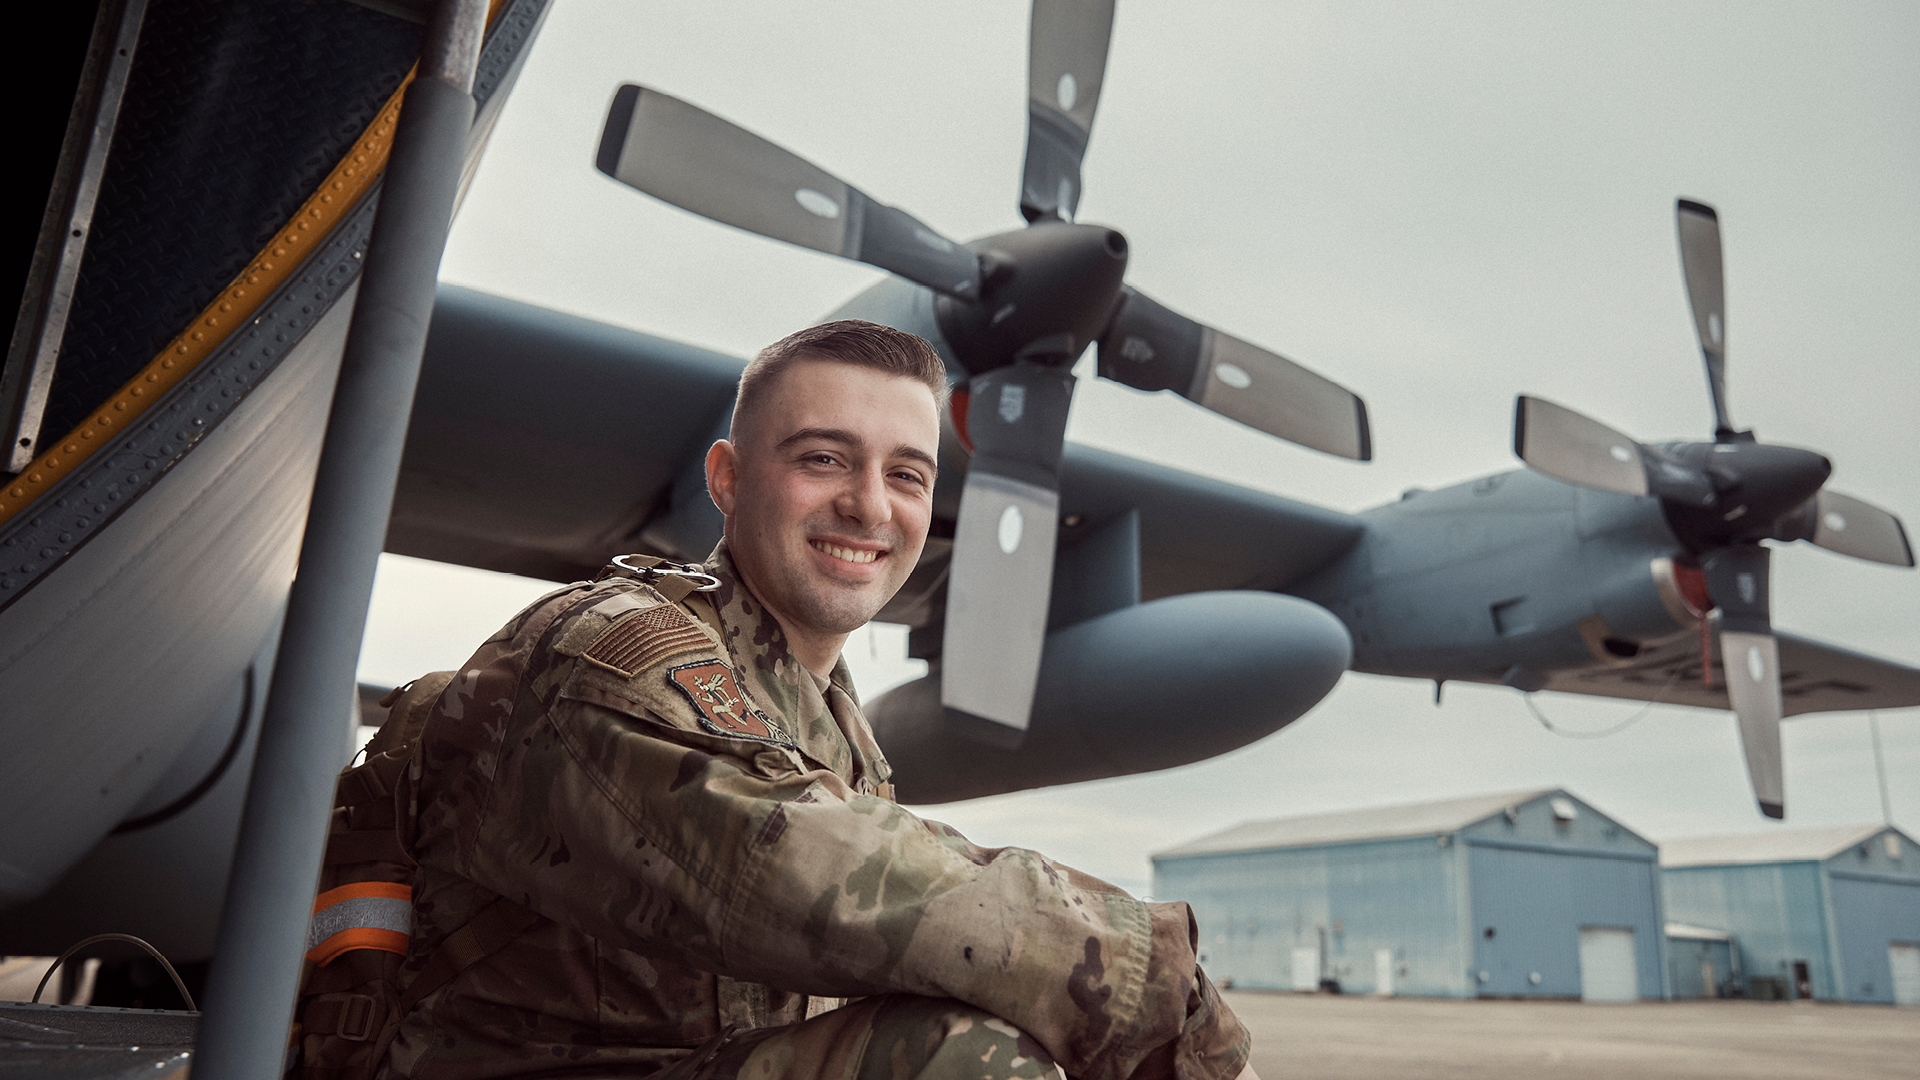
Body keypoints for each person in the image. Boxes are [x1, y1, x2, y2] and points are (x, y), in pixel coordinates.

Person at [384, 320, 1252, 1080]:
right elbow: (800, 867)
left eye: (907, 475)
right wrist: (1159, 990)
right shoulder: (610, 648)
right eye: (823, 459)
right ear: (726, 479)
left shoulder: (830, 723)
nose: (868, 505)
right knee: (959, 1058)